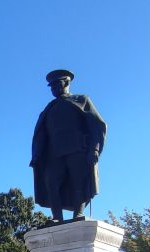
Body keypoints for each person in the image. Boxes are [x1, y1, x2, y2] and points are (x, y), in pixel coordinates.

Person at [30, 69, 107, 223]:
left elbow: (97, 125)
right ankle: (57, 217)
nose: (54, 89)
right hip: (54, 153)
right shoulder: (49, 108)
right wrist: (37, 155)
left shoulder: (81, 100)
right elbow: (41, 134)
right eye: (51, 87)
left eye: (57, 85)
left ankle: (78, 213)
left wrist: (95, 148)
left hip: (77, 149)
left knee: (78, 181)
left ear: (66, 82)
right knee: (51, 182)